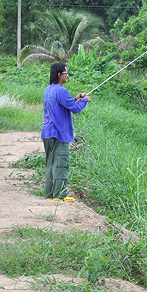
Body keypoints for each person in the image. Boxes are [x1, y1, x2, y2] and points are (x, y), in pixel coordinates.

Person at [41, 63, 90, 201]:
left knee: (50, 163)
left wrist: (76, 98)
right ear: (59, 75)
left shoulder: (48, 89)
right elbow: (74, 109)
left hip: (47, 132)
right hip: (59, 133)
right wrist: (85, 100)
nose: (67, 75)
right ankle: (60, 195)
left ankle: (50, 195)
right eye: (66, 73)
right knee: (61, 163)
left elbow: (67, 104)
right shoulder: (61, 91)